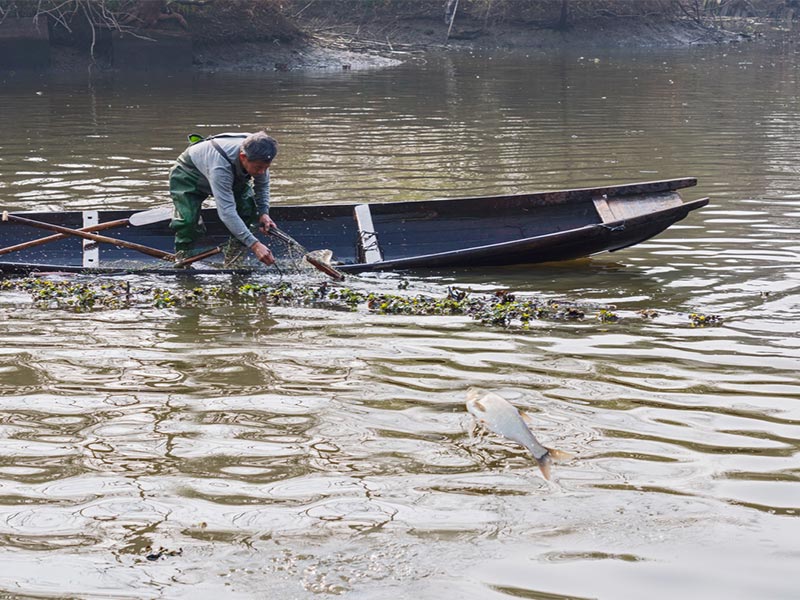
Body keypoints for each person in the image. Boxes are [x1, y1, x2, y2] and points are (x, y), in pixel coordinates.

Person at [168, 130, 278, 265]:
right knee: (188, 222)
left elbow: (262, 186)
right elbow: (226, 212)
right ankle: (183, 257)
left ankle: (233, 260)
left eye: (266, 167)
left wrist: (263, 213)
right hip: (188, 174)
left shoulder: (259, 152)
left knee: (248, 210)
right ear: (243, 157)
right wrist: (254, 244)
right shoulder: (221, 167)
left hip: (232, 173)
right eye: (259, 168)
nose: (261, 172)